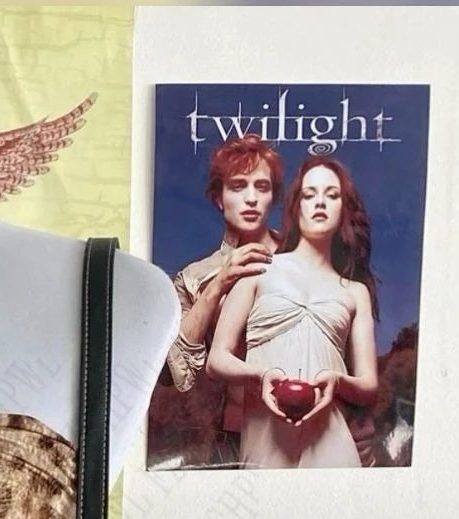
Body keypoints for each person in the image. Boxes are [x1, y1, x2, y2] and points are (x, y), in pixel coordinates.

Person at [207, 155, 380, 469]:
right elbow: (216, 360)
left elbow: (368, 385)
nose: (320, 202)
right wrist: (260, 375)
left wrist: (337, 381)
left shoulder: (355, 292)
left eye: (332, 195)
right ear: (296, 206)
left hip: (332, 438)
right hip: (265, 436)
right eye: (309, 194)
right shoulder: (258, 269)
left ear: (344, 209)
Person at [162, 134, 284, 465]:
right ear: (219, 198)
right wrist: (220, 283)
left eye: (262, 187)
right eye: (238, 186)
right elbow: (176, 373)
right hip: (224, 437)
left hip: (296, 427)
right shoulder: (193, 277)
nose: (251, 198)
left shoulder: (301, 257)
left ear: (273, 196)